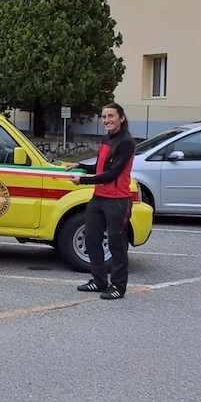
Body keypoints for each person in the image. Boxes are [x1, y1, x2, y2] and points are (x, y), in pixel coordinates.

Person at [69, 103, 136, 300]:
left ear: (121, 118)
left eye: (111, 116)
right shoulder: (106, 138)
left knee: (116, 244)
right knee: (91, 239)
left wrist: (82, 181)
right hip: (99, 197)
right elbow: (101, 167)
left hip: (117, 200)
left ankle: (118, 286)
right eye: (104, 116)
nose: (107, 120)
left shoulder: (126, 142)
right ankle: (99, 281)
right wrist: (80, 166)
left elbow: (112, 174)